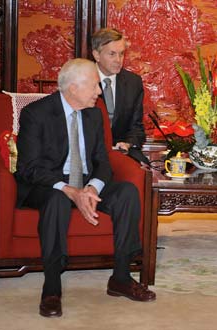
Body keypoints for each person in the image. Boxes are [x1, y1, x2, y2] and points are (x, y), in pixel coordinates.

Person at [15, 58, 156, 318]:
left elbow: (103, 160)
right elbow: (28, 168)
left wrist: (91, 187)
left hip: (86, 181)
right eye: (94, 86)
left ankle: (121, 278)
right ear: (72, 88)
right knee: (57, 200)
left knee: (126, 192)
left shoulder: (94, 112)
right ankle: (52, 288)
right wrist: (68, 189)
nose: (99, 92)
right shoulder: (36, 114)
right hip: (48, 184)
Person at [91, 27, 146, 151]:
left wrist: (128, 144)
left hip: (122, 152)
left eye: (121, 54)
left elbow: (137, 129)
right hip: (90, 154)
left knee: (140, 170)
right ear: (97, 55)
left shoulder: (133, 82)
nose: (118, 60)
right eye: (112, 54)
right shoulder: (82, 80)